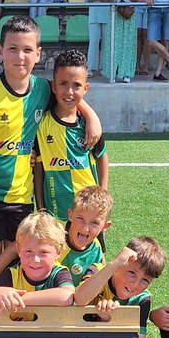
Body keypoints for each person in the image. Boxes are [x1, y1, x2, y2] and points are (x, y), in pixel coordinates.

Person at [0, 15, 100, 282]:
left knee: (20, 258)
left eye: (28, 49)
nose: (20, 56)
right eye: (13, 48)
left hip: (21, 198)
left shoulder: (43, 89)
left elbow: (70, 97)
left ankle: (11, 317)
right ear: (0, 51)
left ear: (38, 54)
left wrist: (91, 115)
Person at [35, 49, 108, 220]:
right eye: (63, 84)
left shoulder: (89, 126)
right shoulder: (41, 124)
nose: (69, 91)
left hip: (89, 213)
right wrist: (40, 206)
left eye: (76, 85)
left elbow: (102, 156)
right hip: (55, 215)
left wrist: (103, 196)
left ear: (86, 88)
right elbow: (38, 168)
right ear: (53, 86)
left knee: (90, 247)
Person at [74, 236, 168, 338]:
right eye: (132, 273)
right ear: (121, 263)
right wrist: (114, 264)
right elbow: (80, 299)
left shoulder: (141, 300)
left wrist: (111, 320)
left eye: (145, 280)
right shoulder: (98, 272)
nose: (135, 285)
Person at [0, 211, 76, 309]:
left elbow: (67, 296)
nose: (35, 259)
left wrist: (18, 299)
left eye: (43, 252)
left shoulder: (59, 273)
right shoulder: (11, 275)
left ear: (58, 252)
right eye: (28, 251)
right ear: (19, 250)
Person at [60, 184, 113, 289]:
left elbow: (99, 283)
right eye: (80, 219)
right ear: (70, 215)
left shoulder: (96, 249)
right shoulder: (54, 236)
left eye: (94, 223)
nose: (85, 229)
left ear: (105, 226)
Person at [102, 0, 140, 83]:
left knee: (128, 44)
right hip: (115, 13)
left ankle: (126, 72)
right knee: (113, 43)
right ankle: (112, 71)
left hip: (129, 13)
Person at [84, 0, 111, 73]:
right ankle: (90, 67)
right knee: (94, 41)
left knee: (106, 42)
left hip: (107, 15)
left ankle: (105, 67)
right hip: (94, 15)